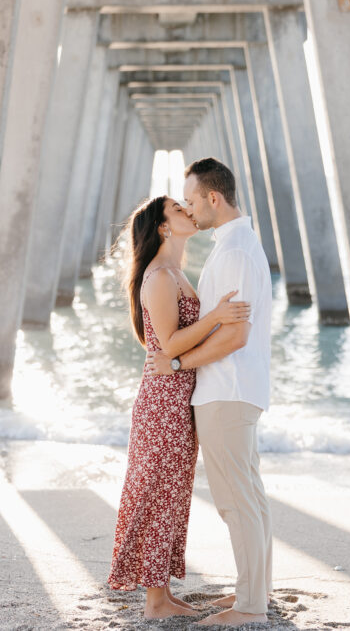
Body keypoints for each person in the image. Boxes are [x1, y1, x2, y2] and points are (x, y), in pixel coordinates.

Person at [107, 194, 251, 620]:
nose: (188, 211)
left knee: (170, 494)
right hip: (162, 401)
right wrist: (218, 318)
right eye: (177, 209)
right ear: (164, 228)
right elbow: (169, 345)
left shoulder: (174, 273)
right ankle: (154, 603)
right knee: (156, 493)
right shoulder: (160, 277)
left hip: (176, 396)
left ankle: (163, 595)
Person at [150, 157, 274, 627]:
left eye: (193, 200)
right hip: (233, 389)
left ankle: (249, 608)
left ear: (213, 198)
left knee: (236, 501)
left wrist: (178, 361)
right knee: (249, 498)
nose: (190, 208)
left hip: (228, 390)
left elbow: (235, 336)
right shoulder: (234, 247)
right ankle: (252, 594)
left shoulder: (236, 252)